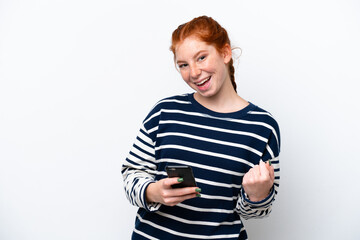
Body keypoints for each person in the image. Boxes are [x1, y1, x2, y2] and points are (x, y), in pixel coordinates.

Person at [122, 16, 280, 240]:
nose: (194, 72)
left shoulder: (262, 127)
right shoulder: (165, 112)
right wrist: (153, 192)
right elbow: (131, 173)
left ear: (225, 53)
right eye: (183, 65)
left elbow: (254, 211)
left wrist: (257, 195)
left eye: (201, 58)